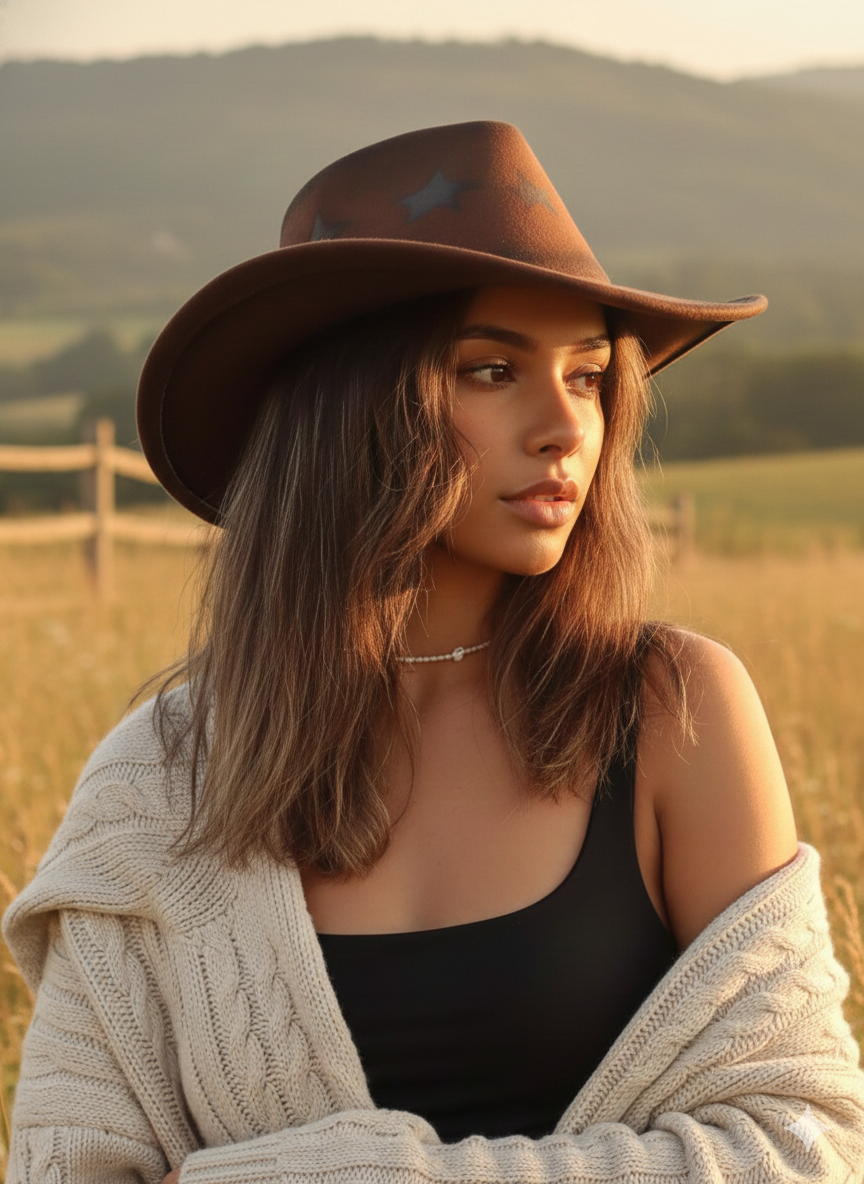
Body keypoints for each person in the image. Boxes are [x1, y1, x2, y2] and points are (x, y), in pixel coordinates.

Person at [4, 121, 864, 1184]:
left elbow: (807, 1143)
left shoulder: (672, 708)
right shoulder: (154, 785)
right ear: (348, 408)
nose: (564, 427)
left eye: (589, 376)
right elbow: (67, 1163)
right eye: (492, 369)